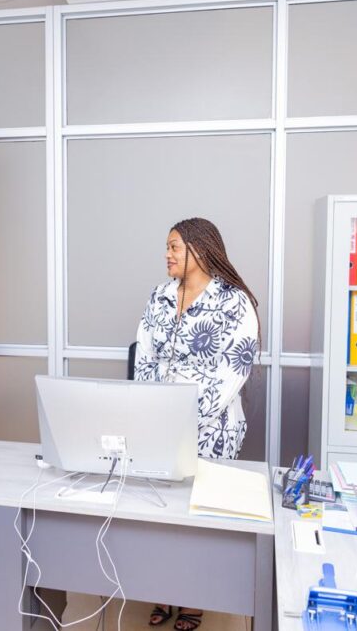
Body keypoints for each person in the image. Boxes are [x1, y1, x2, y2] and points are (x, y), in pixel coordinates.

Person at [134, 217, 260, 631]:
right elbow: (144, 355)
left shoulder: (234, 302)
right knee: (159, 514)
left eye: (174, 247)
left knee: (198, 519)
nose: (167, 255)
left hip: (211, 428)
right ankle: (162, 591)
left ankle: (193, 600)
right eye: (167, 247)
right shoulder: (159, 296)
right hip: (159, 423)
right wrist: (150, 409)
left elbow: (234, 368)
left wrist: (185, 417)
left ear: (200, 249)